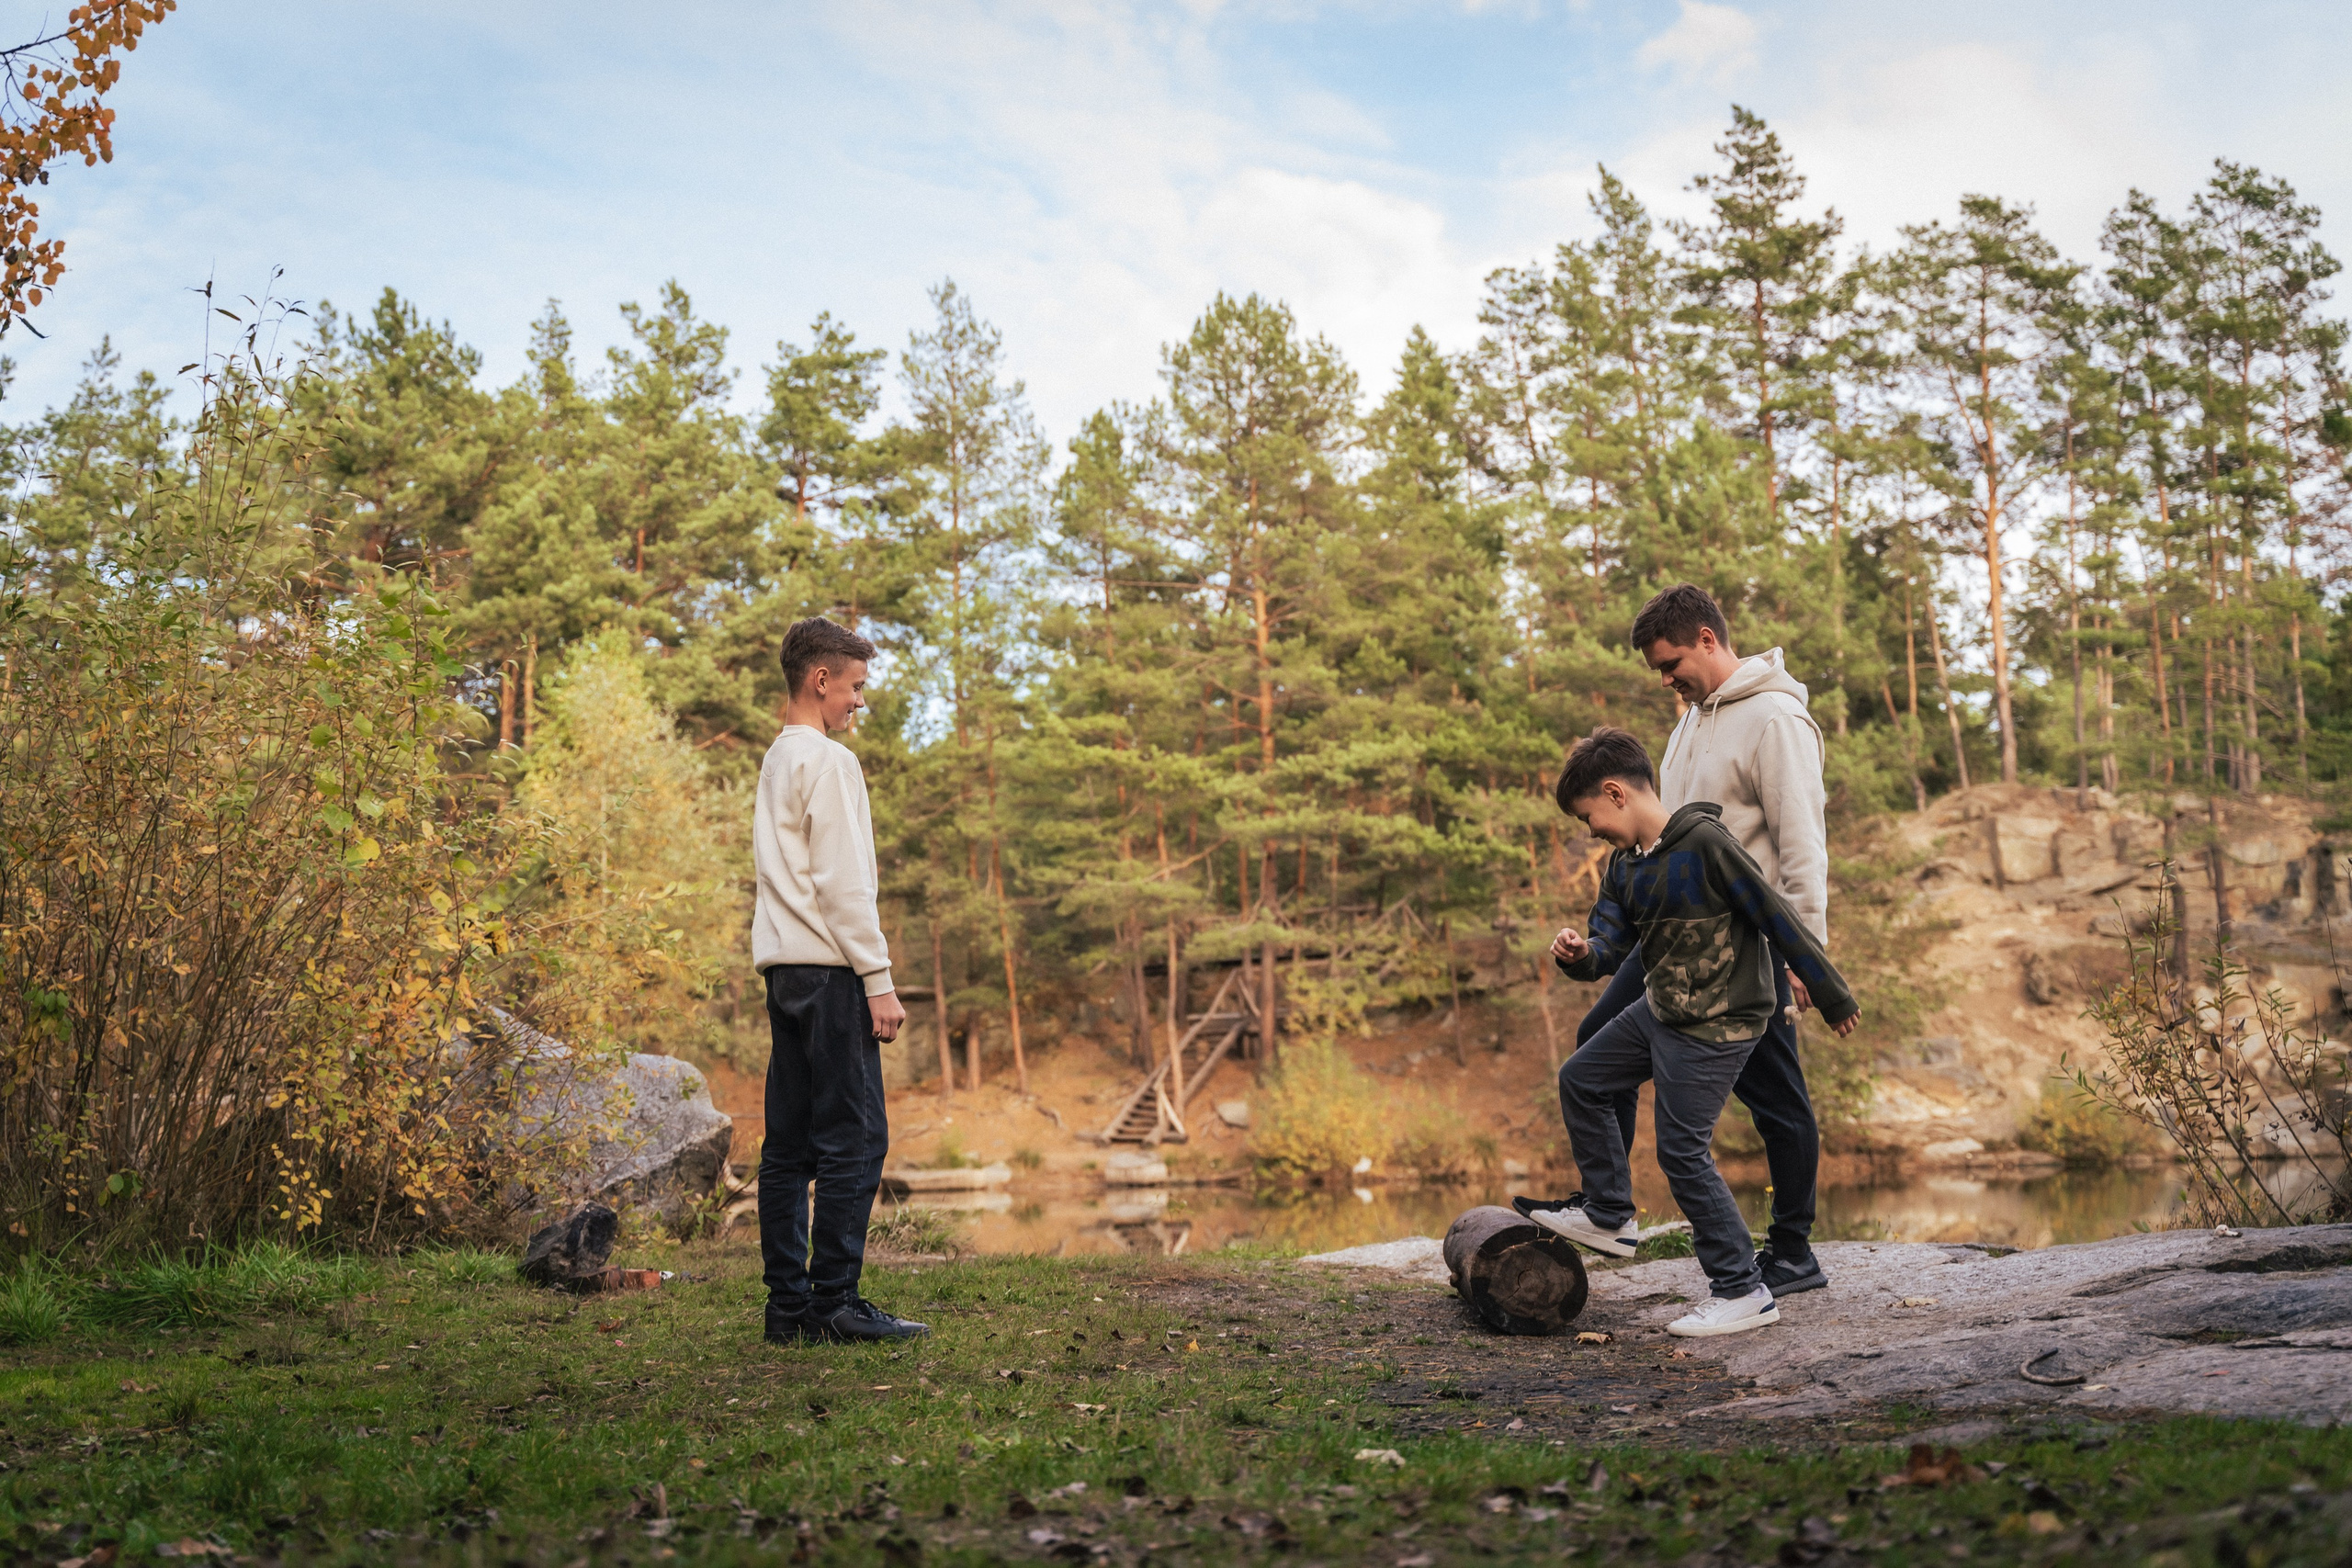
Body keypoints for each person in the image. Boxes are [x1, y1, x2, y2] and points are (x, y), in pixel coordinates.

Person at [1522, 728, 1860, 1337]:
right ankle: (1608, 1214)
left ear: (1615, 792)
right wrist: (1580, 953)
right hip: (1666, 1005)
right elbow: (1610, 944)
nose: (1590, 830)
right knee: (1584, 1078)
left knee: (1681, 1151)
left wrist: (1831, 993)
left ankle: (1742, 1290)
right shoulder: (1625, 866)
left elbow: (1775, 916)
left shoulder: (1704, 843)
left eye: (1588, 816)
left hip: (1721, 1020)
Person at [1573, 584, 1835, 1299]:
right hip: (1674, 945)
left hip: (1747, 947)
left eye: (1672, 662)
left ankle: (1793, 1248)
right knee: (1597, 1037)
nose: (1666, 679)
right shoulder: (1688, 723)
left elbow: (1802, 846)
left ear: (1709, 640)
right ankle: (1610, 1211)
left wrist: (1804, 953)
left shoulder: (1776, 719)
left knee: (1778, 1097)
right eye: (1659, 669)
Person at [752, 616, 925, 1345]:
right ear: (821, 680)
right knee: (855, 1137)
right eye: (855, 686)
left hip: (786, 971)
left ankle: (788, 1307)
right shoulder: (830, 762)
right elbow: (843, 883)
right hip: (831, 974)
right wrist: (878, 979)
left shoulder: (777, 758)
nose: (860, 702)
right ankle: (835, 1302)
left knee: (788, 1144)